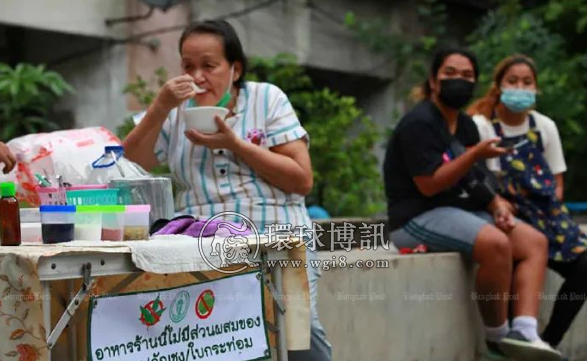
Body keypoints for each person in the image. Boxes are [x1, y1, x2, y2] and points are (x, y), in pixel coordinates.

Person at [123, 20, 331, 361]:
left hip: (278, 238)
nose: (197, 77)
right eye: (188, 67)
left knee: (299, 334)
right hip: (204, 245)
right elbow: (130, 160)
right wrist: (159, 107)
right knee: (214, 338)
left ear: (235, 69)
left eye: (209, 65)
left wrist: (236, 144)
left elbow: (301, 179)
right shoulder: (174, 113)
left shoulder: (267, 99)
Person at [383, 48, 561, 361]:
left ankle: (525, 331)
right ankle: (497, 339)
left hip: (457, 212)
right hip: (414, 218)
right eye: (450, 73)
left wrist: (497, 206)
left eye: (467, 76)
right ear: (434, 81)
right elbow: (430, 183)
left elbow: (472, 177)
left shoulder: (463, 124)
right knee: (495, 244)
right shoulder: (419, 123)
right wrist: (474, 154)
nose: (459, 81)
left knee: (534, 241)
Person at [468, 54, 587, 354]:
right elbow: (479, 182)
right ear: (498, 86)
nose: (519, 88)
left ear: (536, 88)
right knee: (516, 258)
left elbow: (557, 182)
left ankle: (548, 342)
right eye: (512, 81)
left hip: (547, 215)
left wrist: (547, 209)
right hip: (504, 217)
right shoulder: (482, 127)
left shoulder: (544, 126)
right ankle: (505, 343)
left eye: (527, 82)